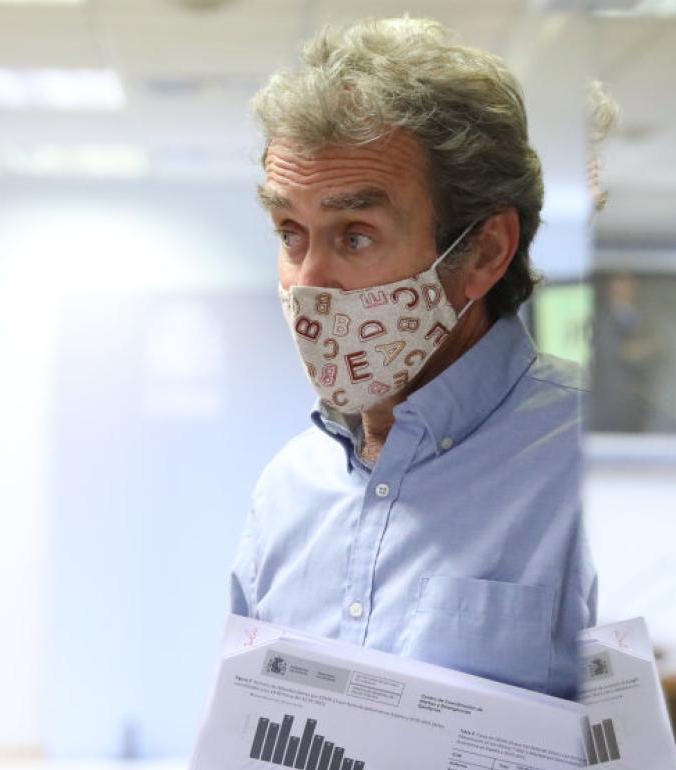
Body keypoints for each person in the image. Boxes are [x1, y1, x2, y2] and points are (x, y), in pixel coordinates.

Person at [228, 17, 596, 699]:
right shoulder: (288, 488)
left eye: (356, 235)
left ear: (483, 252)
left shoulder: (588, 469)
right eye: (290, 232)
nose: (309, 282)